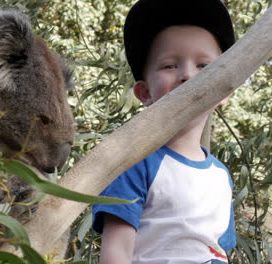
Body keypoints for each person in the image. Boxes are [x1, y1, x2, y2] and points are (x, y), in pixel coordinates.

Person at [91, 0, 237, 263]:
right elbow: (117, 252)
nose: (188, 75)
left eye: (204, 65)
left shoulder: (221, 176)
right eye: (170, 65)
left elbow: (218, 249)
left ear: (225, 90)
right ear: (144, 92)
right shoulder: (133, 164)